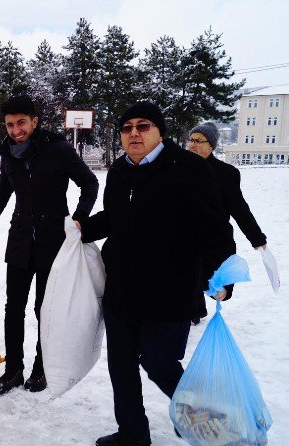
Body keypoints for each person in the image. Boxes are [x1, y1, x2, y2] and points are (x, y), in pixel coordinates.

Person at [76, 102, 236, 446]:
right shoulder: (119, 170)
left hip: (170, 290)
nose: (134, 133)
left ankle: (197, 414)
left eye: (143, 126)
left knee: (159, 362)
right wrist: (81, 229)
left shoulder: (188, 168)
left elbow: (214, 226)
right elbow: (116, 216)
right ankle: (132, 433)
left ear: (159, 132)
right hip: (121, 288)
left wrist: (223, 273)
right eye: (127, 128)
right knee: (121, 367)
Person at [0, 95, 99, 394]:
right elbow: (4, 189)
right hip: (20, 239)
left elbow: (89, 182)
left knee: (44, 309)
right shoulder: (8, 153)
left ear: (35, 121)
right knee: (13, 308)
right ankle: (13, 370)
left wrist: (80, 216)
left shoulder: (58, 149)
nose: (16, 129)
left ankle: (41, 368)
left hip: (53, 242)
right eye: (10, 124)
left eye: (21, 122)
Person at [187, 122, 267, 324]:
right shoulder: (180, 168)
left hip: (214, 237)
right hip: (185, 234)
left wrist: (257, 238)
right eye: (191, 140)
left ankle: (202, 303)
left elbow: (239, 208)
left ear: (211, 146)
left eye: (198, 141)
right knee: (187, 271)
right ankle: (194, 311)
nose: (192, 145)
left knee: (209, 272)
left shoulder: (225, 173)